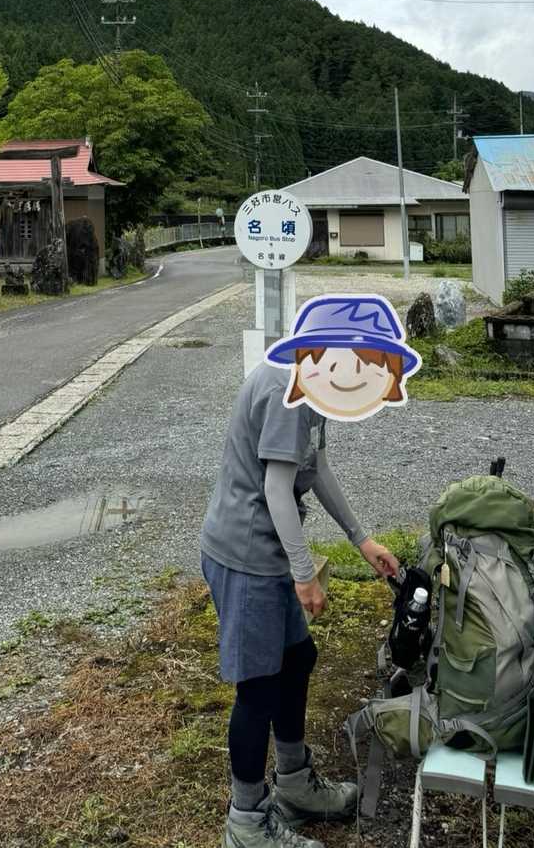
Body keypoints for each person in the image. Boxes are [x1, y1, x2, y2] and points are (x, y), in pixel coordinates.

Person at [201, 316, 400, 848]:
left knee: (297, 658)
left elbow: (318, 467)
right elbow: (276, 488)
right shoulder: (286, 390)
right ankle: (246, 821)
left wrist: (361, 539)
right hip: (246, 554)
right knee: (258, 687)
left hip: (268, 553)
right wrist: (304, 573)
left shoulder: (316, 384)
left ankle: (293, 783)